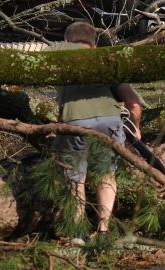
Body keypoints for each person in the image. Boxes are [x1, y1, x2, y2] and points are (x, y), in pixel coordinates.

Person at [49, 19, 143, 241]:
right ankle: (103, 231)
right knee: (106, 175)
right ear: (93, 43)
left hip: (76, 122)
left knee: (75, 178)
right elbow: (134, 104)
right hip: (110, 122)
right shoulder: (105, 61)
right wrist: (136, 129)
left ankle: (78, 232)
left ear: (66, 40)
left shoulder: (59, 53)